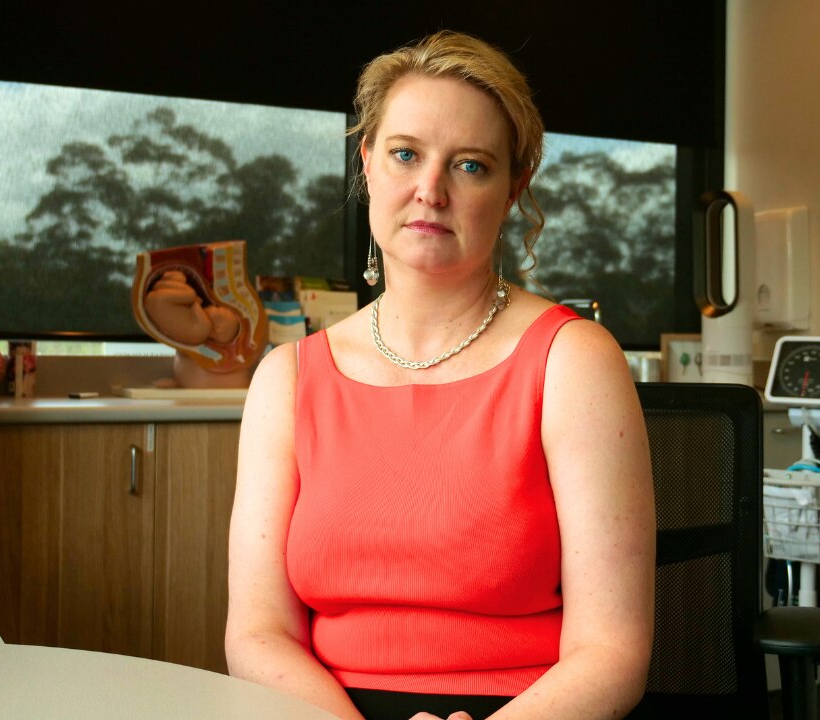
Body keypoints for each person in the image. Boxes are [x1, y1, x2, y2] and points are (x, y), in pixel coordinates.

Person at [225, 31, 654, 720]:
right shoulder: (287, 379)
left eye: (471, 166)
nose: (431, 190)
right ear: (367, 164)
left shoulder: (574, 361)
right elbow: (256, 633)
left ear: (514, 189)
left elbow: (612, 652)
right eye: (405, 154)